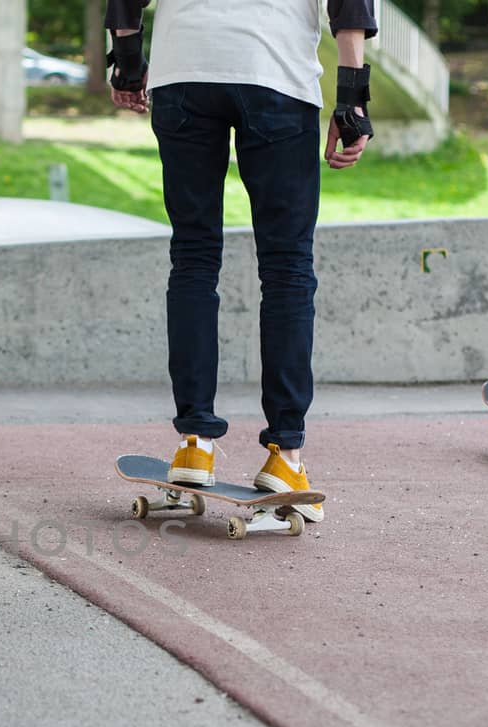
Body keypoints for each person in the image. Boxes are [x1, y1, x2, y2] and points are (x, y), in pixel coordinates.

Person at [106, 0, 377, 521]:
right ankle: (285, 453)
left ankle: (194, 442)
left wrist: (127, 57)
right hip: (274, 73)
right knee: (287, 268)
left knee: (193, 256)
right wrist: (352, 103)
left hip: (184, 73)